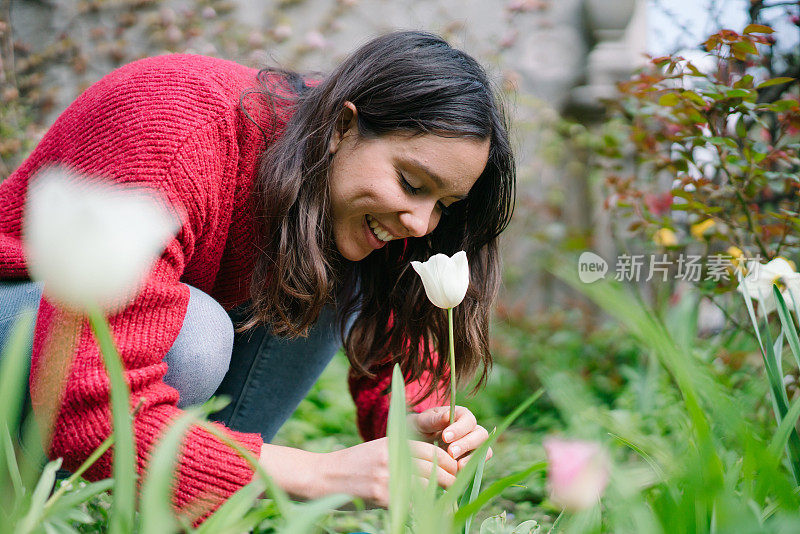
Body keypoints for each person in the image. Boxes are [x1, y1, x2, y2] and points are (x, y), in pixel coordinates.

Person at [0, 30, 515, 519]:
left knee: (324, 257)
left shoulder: (343, 192)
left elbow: (401, 351)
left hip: (86, 368)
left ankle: (187, 503)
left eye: (444, 204)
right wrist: (318, 473)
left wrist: (421, 432)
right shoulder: (177, 127)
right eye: (410, 182)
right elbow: (88, 406)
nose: (422, 224)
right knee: (196, 336)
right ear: (342, 126)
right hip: (29, 320)